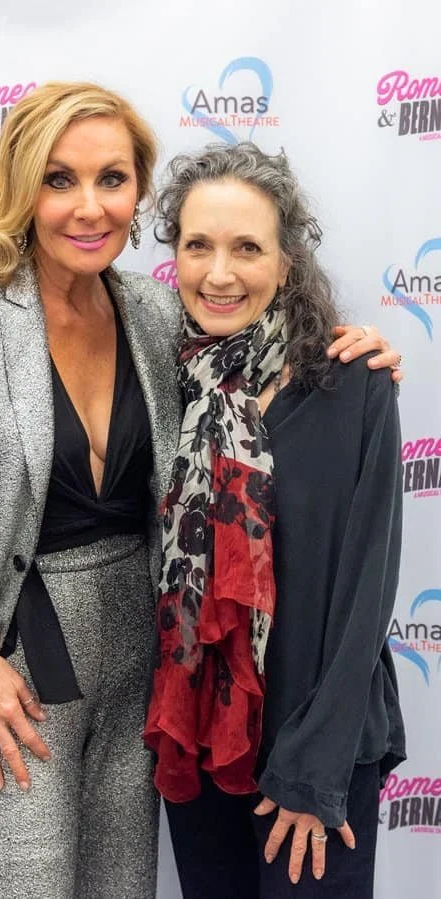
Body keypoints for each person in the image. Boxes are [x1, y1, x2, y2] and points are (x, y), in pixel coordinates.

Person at [0, 81, 401, 899]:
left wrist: (359, 347)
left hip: (157, 675)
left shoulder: (154, 314)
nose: (88, 207)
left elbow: (264, 354)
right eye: (59, 178)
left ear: (138, 192)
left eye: (111, 179)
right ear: (21, 184)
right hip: (25, 659)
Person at [144, 142, 406, 899]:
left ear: (288, 262)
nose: (219, 273)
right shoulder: (167, 383)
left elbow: (366, 593)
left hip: (317, 752)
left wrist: (313, 771)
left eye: (247, 247)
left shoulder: (354, 382)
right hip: (201, 739)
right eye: (198, 245)